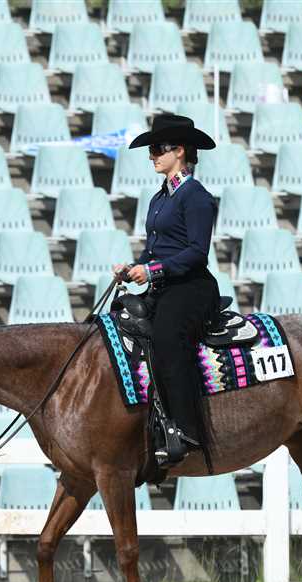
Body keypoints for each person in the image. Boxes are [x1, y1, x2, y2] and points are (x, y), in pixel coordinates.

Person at [112, 114, 220, 467]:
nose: (152, 155)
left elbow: (196, 252)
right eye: (153, 149)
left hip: (192, 287)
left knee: (168, 337)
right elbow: (154, 249)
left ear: (180, 151)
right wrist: (133, 268)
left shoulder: (196, 197)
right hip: (164, 286)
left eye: (159, 148)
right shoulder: (160, 198)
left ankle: (186, 430)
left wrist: (152, 270)